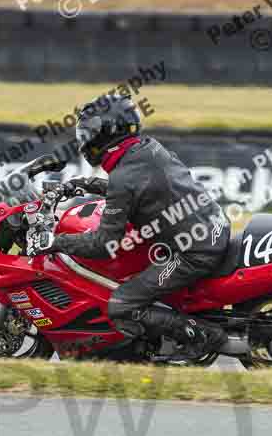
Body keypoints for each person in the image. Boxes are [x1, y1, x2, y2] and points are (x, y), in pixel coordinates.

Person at [27, 94, 230, 360]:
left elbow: (103, 245)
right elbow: (139, 189)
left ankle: (207, 336)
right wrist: (84, 184)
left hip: (194, 253)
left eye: (89, 133)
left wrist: (55, 241)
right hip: (213, 227)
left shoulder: (124, 176)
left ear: (108, 132)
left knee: (122, 305)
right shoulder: (147, 149)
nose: (85, 141)